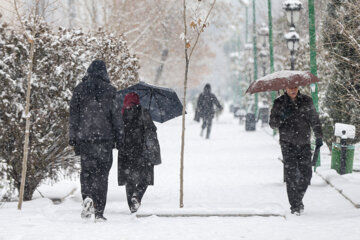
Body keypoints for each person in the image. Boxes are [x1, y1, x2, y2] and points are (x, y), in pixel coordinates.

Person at [69, 60, 123, 221]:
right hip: (105, 140)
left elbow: (73, 117)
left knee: (87, 172)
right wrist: (120, 138)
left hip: (85, 139)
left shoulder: (79, 90)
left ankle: (87, 197)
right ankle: (99, 211)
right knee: (102, 176)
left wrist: (73, 138)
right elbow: (116, 117)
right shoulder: (111, 91)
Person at [269, 86, 323, 215]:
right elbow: (272, 124)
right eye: (290, 87)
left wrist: (319, 135)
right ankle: (295, 206)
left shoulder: (306, 100)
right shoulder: (279, 103)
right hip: (287, 143)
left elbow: (314, 119)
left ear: (298, 87)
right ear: (285, 88)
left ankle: (297, 199)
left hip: (304, 142)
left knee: (307, 174)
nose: (293, 90)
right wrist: (282, 116)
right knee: (291, 175)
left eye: (295, 87)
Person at [118, 92, 161, 213]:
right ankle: (137, 196)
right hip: (142, 151)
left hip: (126, 152)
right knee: (145, 178)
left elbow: (117, 132)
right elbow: (152, 130)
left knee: (129, 180)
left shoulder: (121, 114)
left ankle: (132, 206)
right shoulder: (144, 112)